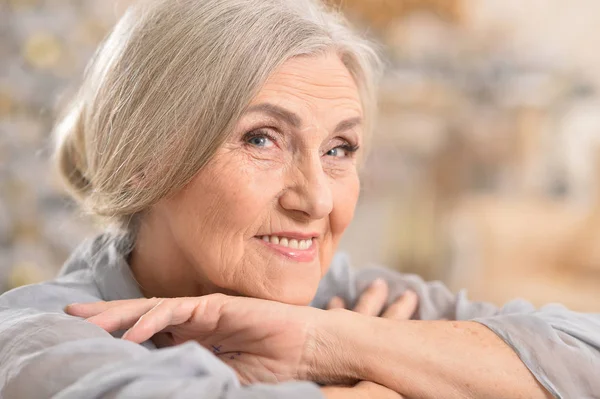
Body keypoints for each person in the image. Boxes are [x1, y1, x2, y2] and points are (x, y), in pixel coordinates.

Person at [0, 0, 598, 398]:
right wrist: (382, 387)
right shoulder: (38, 340)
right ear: (141, 159)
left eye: (340, 148)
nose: (315, 200)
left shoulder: (355, 305)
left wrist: (328, 343)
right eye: (261, 138)